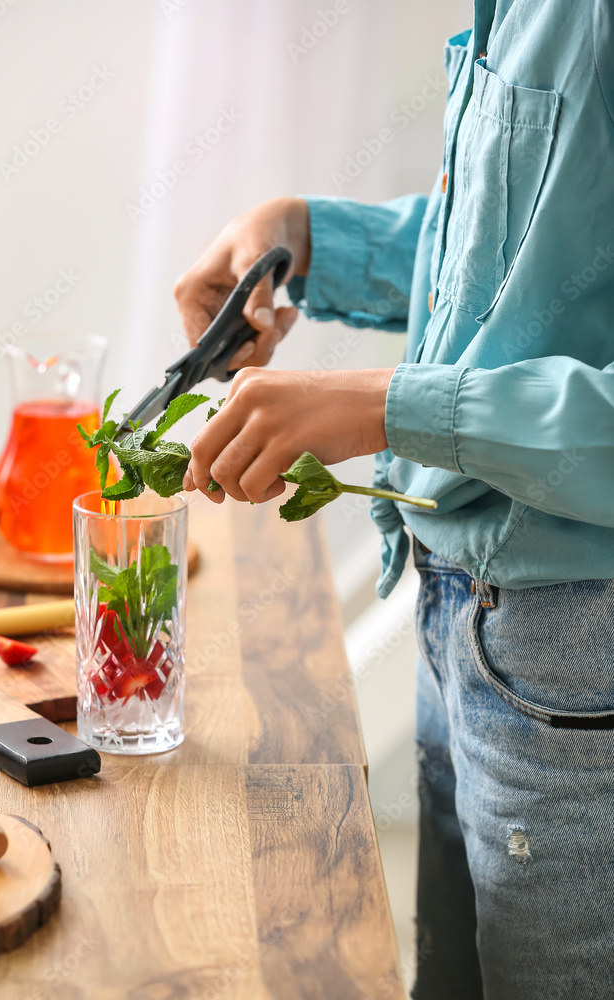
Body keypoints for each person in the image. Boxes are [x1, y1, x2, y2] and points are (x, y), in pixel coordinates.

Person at [174, 3, 614, 998]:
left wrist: (387, 403)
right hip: (461, 616)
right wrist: (310, 238)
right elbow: (536, 247)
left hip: (581, 662)